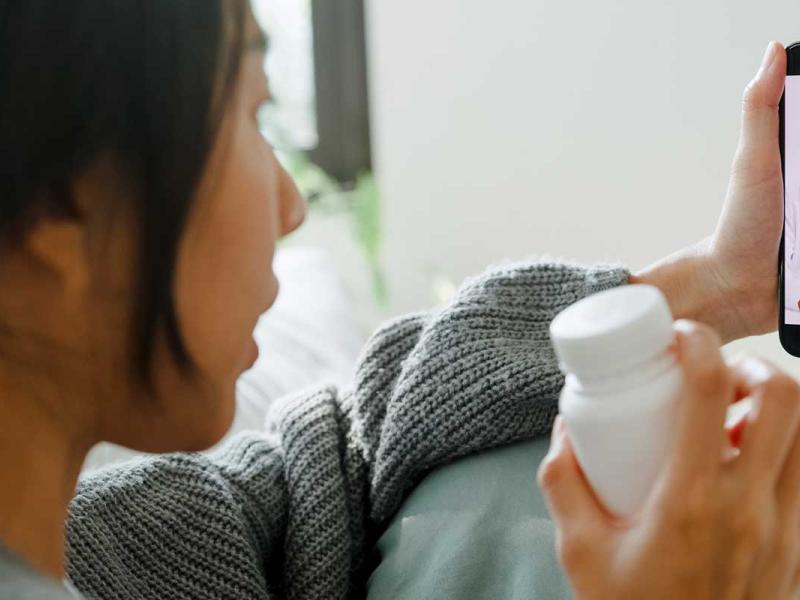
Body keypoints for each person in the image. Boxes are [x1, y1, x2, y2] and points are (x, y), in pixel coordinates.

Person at [0, 1, 794, 598]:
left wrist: (722, 282)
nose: (290, 205)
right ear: (63, 207)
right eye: (248, 113)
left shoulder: (112, 541)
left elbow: (350, 452)